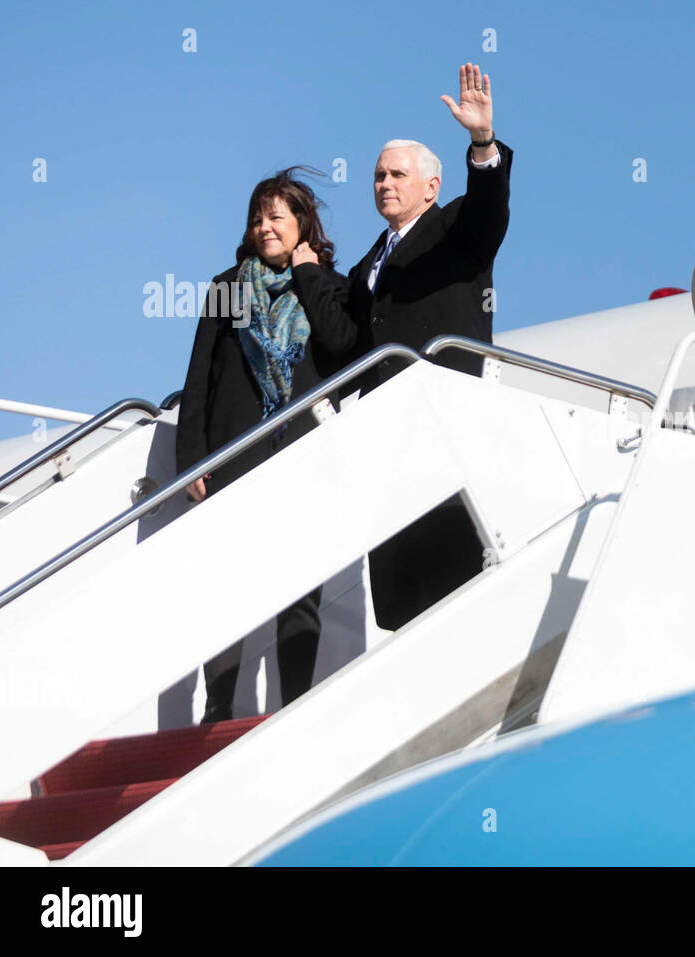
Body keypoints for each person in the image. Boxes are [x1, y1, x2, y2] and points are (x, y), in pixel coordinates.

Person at [299, 62, 514, 630]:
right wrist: (303, 266)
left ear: (431, 187)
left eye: (397, 174)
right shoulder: (370, 262)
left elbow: (490, 210)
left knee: (448, 576)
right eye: (377, 176)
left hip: (440, 418)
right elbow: (344, 334)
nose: (385, 184)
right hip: (384, 428)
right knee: (395, 589)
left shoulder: (456, 230)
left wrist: (482, 142)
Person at [175, 167, 358, 723]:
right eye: (258, 218)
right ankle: (219, 708)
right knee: (224, 588)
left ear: (302, 224)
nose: (264, 227)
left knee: (299, 588)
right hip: (233, 457)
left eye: (276, 216)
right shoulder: (228, 287)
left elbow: (343, 348)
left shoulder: (332, 287)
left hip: (304, 457)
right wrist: (192, 462)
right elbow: (199, 382)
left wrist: (308, 276)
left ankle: (293, 707)